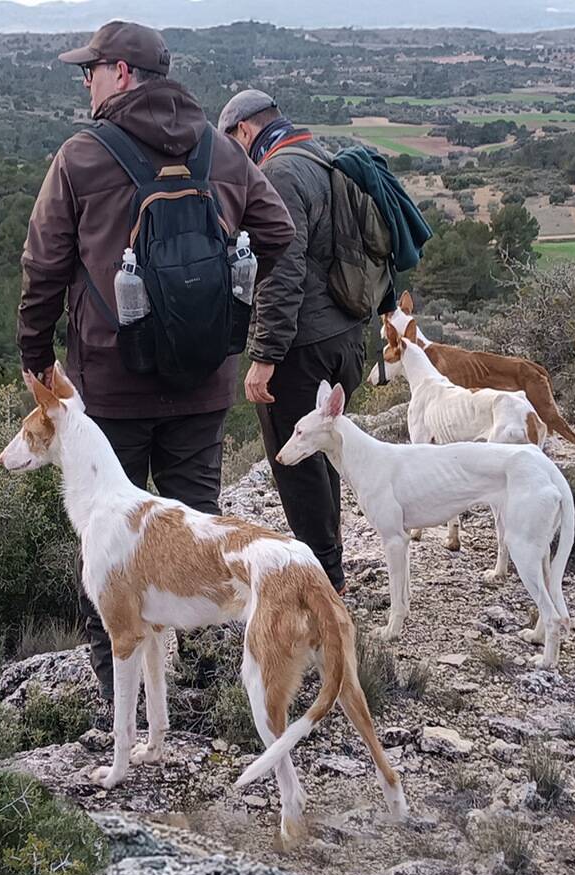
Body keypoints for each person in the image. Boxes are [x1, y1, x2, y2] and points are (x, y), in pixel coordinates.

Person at [18, 21, 295, 701]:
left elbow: (43, 265)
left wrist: (35, 354)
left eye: (91, 70)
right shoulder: (220, 152)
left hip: (109, 383)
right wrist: (247, 322)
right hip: (204, 380)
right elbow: (281, 236)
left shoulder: (82, 155)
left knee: (107, 544)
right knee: (194, 528)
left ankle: (124, 697)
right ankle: (194, 680)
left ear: (122, 72)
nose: (85, 81)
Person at [218, 88, 368, 594]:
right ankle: (331, 567)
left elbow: (281, 272)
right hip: (348, 336)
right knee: (322, 451)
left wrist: (264, 355)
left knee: (296, 460)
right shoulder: (319, 155)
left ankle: (321, 582)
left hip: (304, 346)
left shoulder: (277, 173)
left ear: (243, 131)